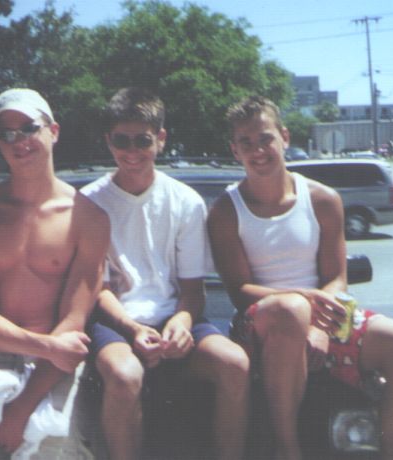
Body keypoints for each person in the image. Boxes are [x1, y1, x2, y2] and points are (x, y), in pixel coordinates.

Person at [207, 95, 393, 460]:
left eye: (265, 138)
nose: (257, 150)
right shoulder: (226, 210)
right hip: (260, 326)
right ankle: (287, 448)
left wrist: (320, 328)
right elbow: (239, 291)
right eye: (246, 142)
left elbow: (336, 278)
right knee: (289, 309)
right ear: (234, 150)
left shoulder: (323, 199)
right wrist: (303, 300)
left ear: (284, 137)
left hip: (325, 317)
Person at [81, 87, 250, 460]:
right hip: (115, 322)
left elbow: (192, 290)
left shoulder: (186, 201)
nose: (132, 151)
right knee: (124, 375)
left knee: (235, 363)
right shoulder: (89, 202)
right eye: (121, 140)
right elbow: (97, 289)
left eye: (142, 140)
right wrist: (133, 330)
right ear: (108, 140)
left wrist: (182, 323)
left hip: (174, 317)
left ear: (160, 138)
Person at [0, 88, 109, 458]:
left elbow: (73, 322)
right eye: (6, 133)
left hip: (53, 368)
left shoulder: (90, 219)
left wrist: (20, 410)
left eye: (28, 128)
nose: (18, 141)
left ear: (54, 130)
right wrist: (47, 346)